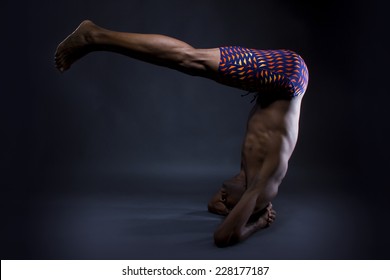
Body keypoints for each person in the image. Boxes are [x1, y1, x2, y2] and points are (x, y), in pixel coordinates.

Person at [55, 20, 309, 247]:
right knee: (190, 59)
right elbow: (223, 237)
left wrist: (235, 211)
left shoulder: (251, 181)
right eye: (227, 199)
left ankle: (95, 37)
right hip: (287, 76)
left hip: (284, 84)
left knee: (191, 60)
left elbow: (214, 206)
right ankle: (94, 36)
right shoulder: (261, 187)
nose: (220, 195)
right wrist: (258, 223)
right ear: (245, 203)